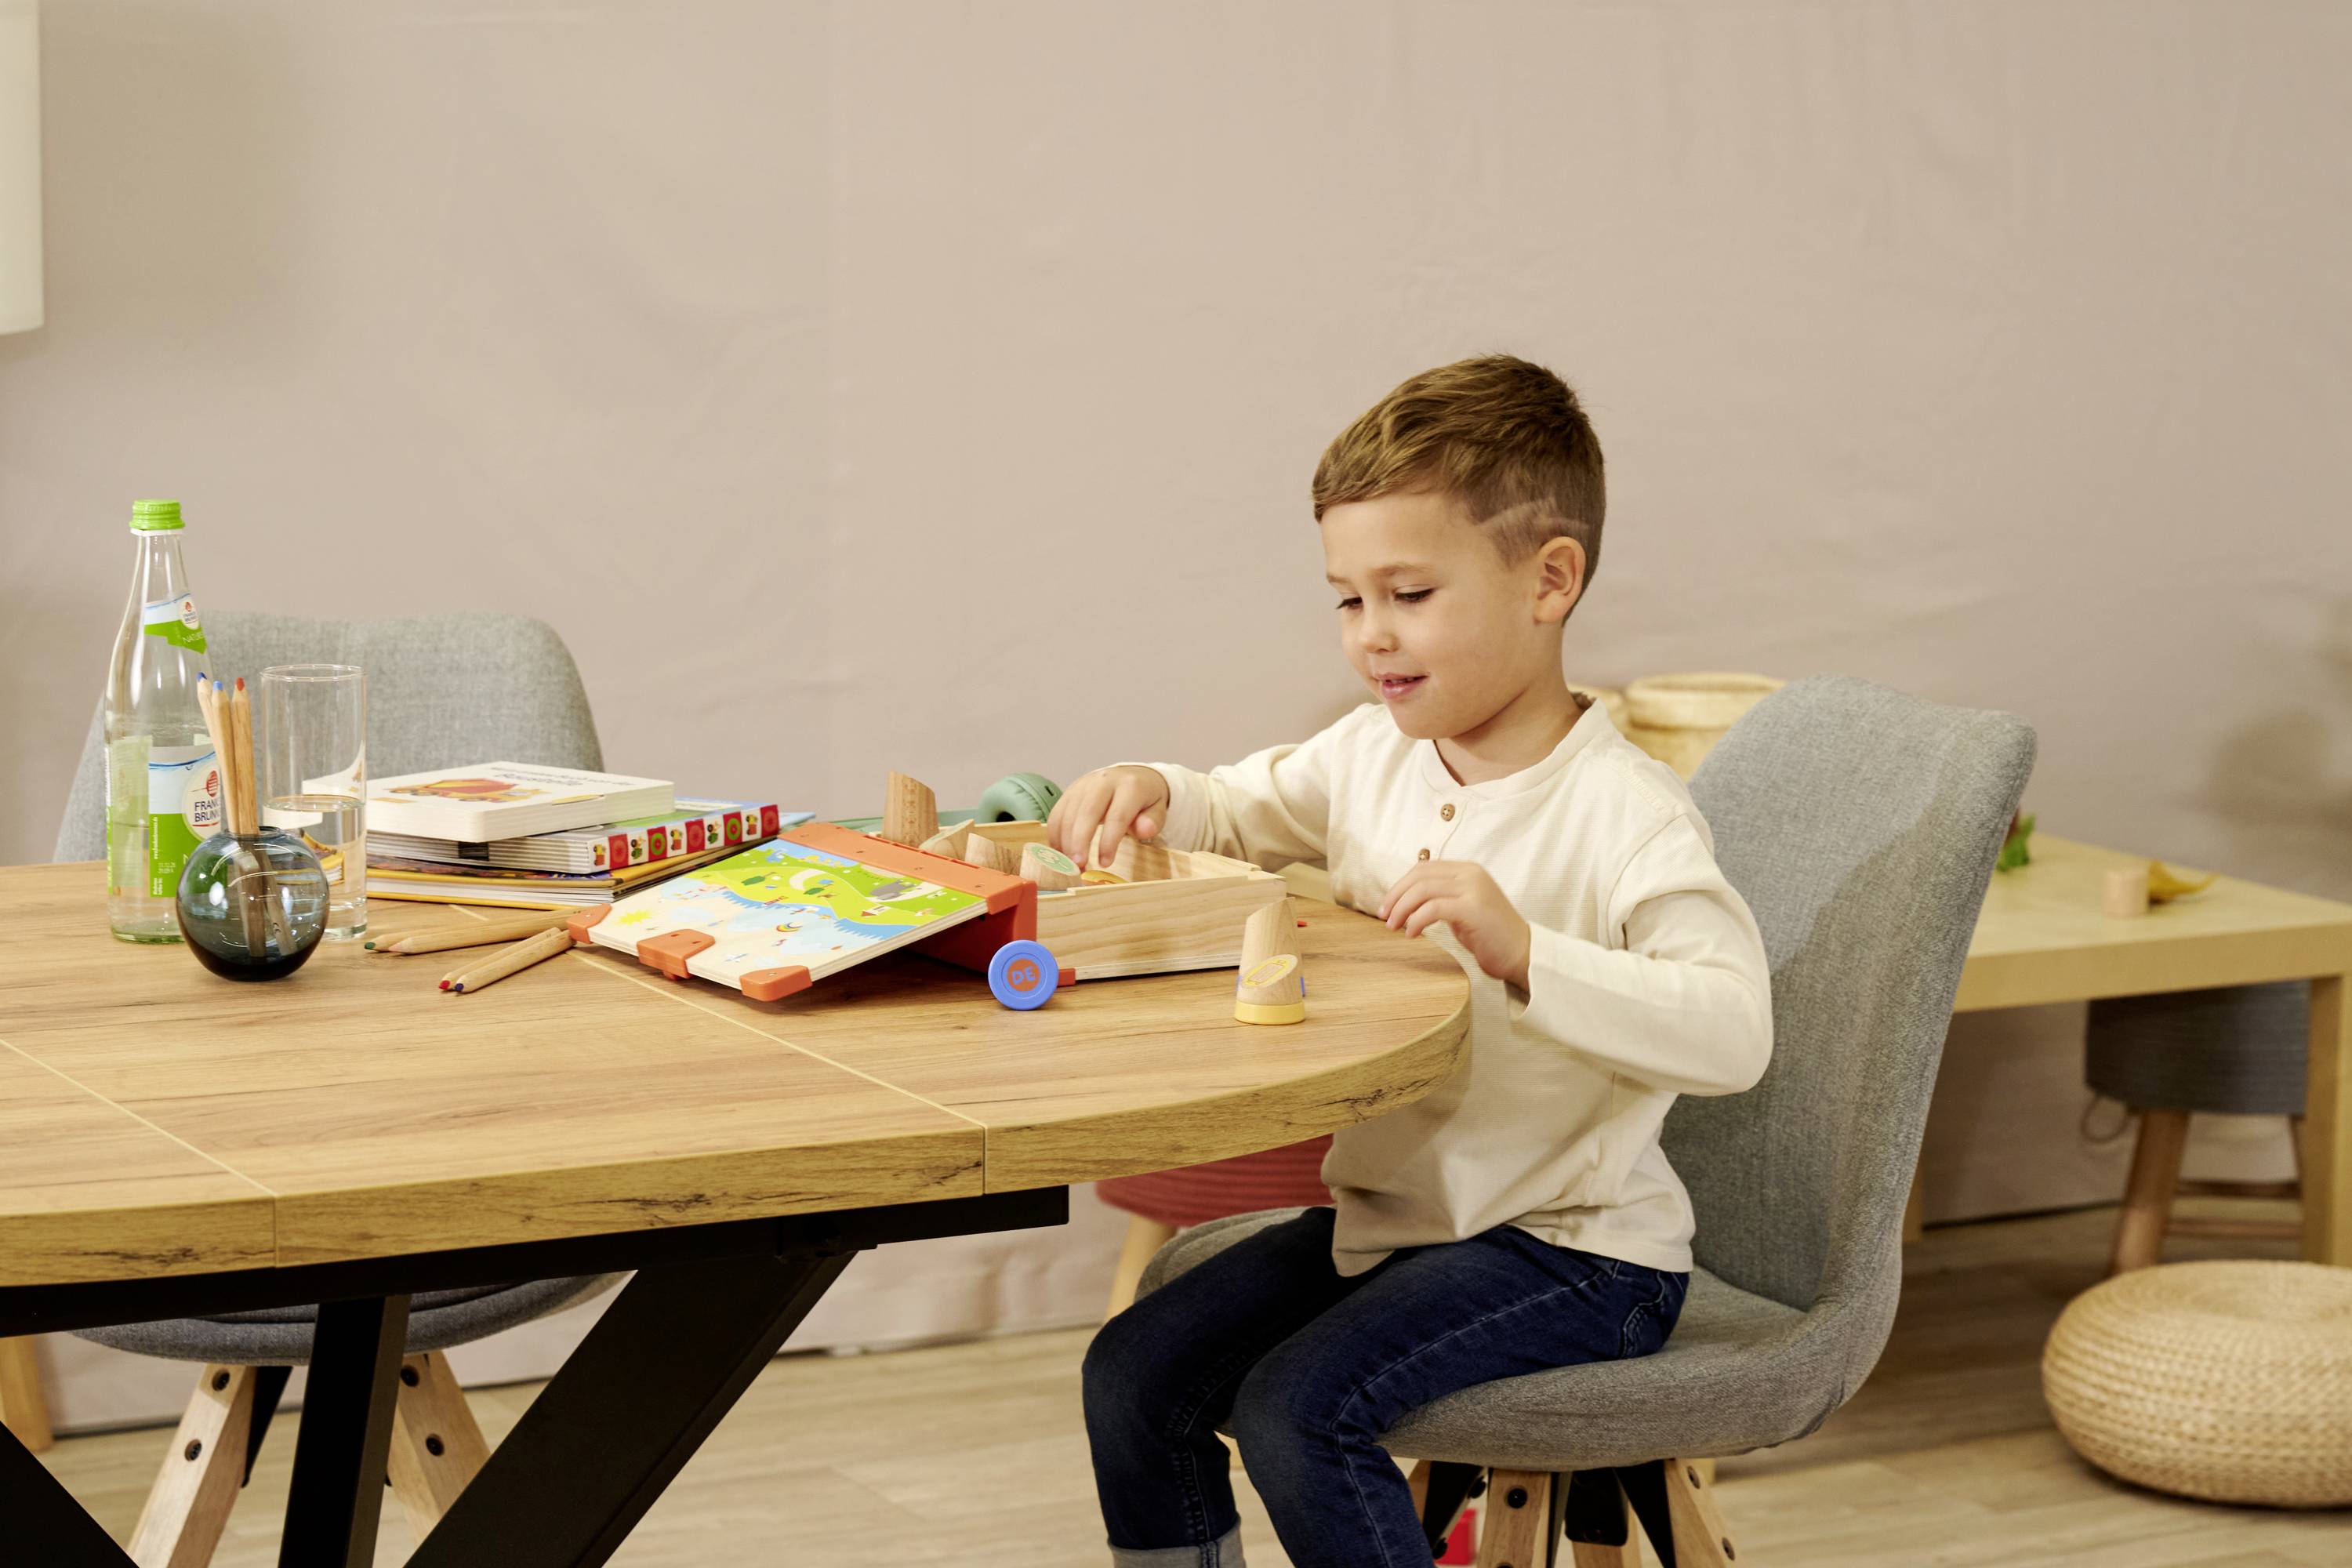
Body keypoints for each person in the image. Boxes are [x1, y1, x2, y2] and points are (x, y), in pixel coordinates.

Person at [1052, 354, 1774, 1567]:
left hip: (1578, 1249)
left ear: (1551, 581)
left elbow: (1734, 1030)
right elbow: (1232, 808)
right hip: (1396, 1226)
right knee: (1133, 1370)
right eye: (1347, 599)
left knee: (1300, 1409)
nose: (1370, 637)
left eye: (1409, 593)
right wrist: (1151, 789)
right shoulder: (1368, 757)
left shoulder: (1626, 812)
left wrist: (1530, 953)